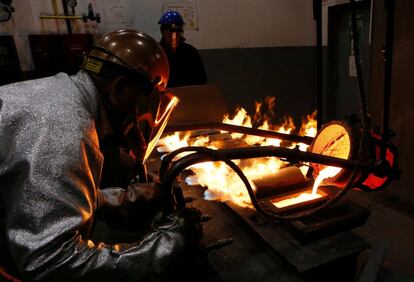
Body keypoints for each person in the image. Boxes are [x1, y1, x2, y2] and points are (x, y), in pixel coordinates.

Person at [0, 29, 202, 281]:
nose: (142, 113)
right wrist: (164, 248)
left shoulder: (61, 94)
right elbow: (50, 262)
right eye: (145, 101)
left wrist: (119, 199)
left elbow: (35, 195)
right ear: (119, 88)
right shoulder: (66, 128)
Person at [158, 11, 207, 88]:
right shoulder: (157, 52)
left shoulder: (190, 52)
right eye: (170, 31)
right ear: (162, 31)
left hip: (189, 94)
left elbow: (201, 79)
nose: (173, 35)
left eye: (176, 31)